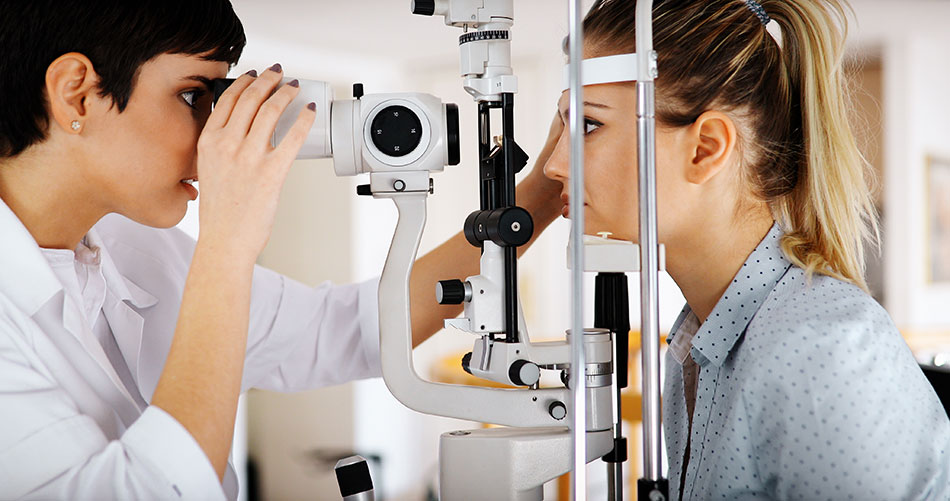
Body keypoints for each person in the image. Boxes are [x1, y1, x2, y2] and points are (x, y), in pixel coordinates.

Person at [0, 1, 564, 499]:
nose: (214, 131)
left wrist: (549, 181)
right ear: (76, 91)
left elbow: (356, 327)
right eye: (193, 94)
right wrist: (228, 243)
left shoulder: (134, 247)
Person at [543, 0, 950, 499]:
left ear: (705, 148)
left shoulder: (820, 352)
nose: (553, 166)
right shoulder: (696, 344)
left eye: (586, 125)